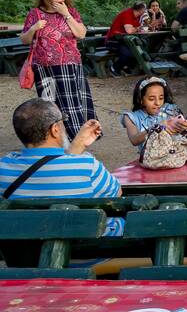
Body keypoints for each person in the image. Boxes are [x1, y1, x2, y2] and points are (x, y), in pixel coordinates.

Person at [1, 100, 123, 236]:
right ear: (55, 129)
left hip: (24, 253)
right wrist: (75, 152)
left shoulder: (3, 167)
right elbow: (116, 194)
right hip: (88, 252)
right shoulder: (86, 165)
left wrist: (76, 147)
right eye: (62, 121)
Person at [20, 0, 95, 133]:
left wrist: (66, 14)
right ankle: (54, 137)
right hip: (44, 68)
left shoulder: (71, 11)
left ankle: (77, 138)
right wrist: (33, 28)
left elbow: (81, 34)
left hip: (69, 66)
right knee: (50, 105)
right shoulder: (35, 13)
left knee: (73, 104)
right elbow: (24, 40)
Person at [121, 76, 183, 154]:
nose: (157, 103)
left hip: (175, 157)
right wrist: (156, 127)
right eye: (151, 99)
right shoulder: (131, 117)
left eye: (161, 98)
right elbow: (134, 140)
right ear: (140, 99)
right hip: (151, 162)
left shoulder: (171, 109)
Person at [106, 1, 147, 76]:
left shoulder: (137, 17)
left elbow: (140, 29)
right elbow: (130, 31)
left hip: (124, 40)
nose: (145, 11)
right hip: (113, 40)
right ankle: (114, 68)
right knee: (129, 52)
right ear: (141, 9)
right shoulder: (127, 14)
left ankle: (127, 67)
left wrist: (138, 28)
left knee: (141, 48)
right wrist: (138, 28)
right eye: (145, 9)